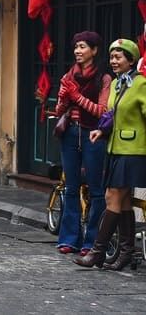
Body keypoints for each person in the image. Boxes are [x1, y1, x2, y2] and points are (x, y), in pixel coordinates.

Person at [78, 38, 146, 270]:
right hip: (115, 148)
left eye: (118, 57)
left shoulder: (141, 84)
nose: (113, 61)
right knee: (123, 200)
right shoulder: (117, 83)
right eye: (111, 57)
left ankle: (97, 252)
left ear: (131, 60)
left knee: (112, 197)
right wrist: (101, 131)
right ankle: (126, 253)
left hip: (134, 150)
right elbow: (112, 114)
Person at [53, 31, 111, 256]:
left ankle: (93, 241)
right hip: (70, 133)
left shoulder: (103, 78)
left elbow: (102, 111)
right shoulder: (69, 75)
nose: (78, 51)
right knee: (71, 187)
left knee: (96, 190)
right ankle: (69, 239)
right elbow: (59, 110)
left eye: (83, 46)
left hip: (93, 134)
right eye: (76, 46)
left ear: (94, 51)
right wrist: (63, 98)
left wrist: (76, 96)